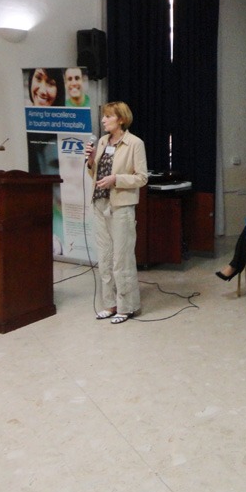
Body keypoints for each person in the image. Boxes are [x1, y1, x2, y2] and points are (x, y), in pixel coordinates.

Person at [84, 101, 148, 324]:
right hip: (99, 203)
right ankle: (109, 304)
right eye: (103, 116)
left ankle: (127, 306)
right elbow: (95, 173)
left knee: (122, 258)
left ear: (121, 119)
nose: (103, 120)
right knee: (105, 257)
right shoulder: (102, 141)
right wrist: (90, 161)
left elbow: (142, 178)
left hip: (121, 206)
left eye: (108, 116)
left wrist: (116, 179)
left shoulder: (134, 143)